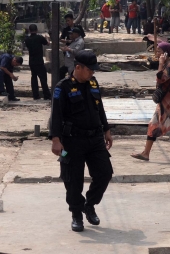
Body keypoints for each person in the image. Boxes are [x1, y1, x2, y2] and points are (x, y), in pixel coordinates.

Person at [49, 50, 113, 232]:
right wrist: (55, 139)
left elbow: (100, 109)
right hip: (72, 141)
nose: (92, 72)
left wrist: (107, 129)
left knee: (105, 173)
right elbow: (56, 115)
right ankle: (76, 213)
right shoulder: (63, 87)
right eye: (89, 69)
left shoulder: (93, 83)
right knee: (73, 180)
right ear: (78, 67)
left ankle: (89, 204)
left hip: (95, 139)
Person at [131, 42, 170, 163]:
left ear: (166, 53)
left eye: (159, 51)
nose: (157, 53)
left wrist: (160, 64)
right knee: (153, 124)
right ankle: (146, 153)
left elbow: (160, 79)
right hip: (165, 103)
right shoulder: (165, 66)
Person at [24, 24, 51, 100]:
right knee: (43, 78)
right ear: (36, 30)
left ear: (30, 30)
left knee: (34, 78)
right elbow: (47, 43)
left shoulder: (27, 39)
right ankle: (46, 95)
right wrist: (47, 38)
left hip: (31, 61)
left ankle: (35, 95)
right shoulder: (39, 37)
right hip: (39, 60)